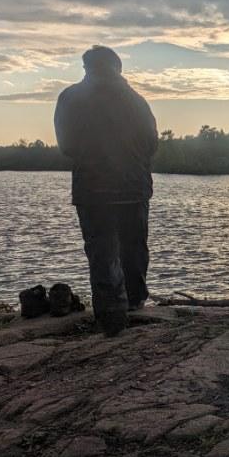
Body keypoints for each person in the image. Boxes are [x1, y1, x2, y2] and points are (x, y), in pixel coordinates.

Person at [54, 46, 158, 337]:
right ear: (118, 68)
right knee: (134, 246)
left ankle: (112, 316)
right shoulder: (137, 101)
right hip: (134, 188)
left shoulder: (70, 98)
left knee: (101, 250)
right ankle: (135, 302)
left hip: (92, 188)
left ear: (86, 67)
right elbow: (151, 142)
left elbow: (67, 146)